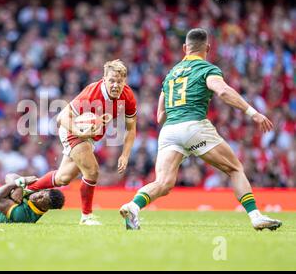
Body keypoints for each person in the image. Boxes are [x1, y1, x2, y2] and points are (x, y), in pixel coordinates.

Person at [119, 28, 282, 231]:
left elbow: (160, 112)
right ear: (208, 48)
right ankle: (255, 216)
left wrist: (167, 112)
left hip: (169, 131)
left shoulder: (171, 74)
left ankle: (133, 206)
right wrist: (253, 113)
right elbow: (222, 90)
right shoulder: (207, 69)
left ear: (184, 48)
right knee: (234, 168)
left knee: (163, 182)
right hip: (194, 125)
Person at [23, 59, 137, 225]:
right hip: (73, 128)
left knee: (63, 178)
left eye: (119, 81)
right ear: (104, 79)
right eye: (111, 80)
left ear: (124, 81)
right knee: (92, 171)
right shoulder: (92, 93)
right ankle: (86, 216)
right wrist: (80, 132)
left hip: (89, 135)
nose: (115, 85)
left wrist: (125, 155)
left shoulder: (128, 96)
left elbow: (131, 128)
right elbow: (62, 118)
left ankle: (26, 190)